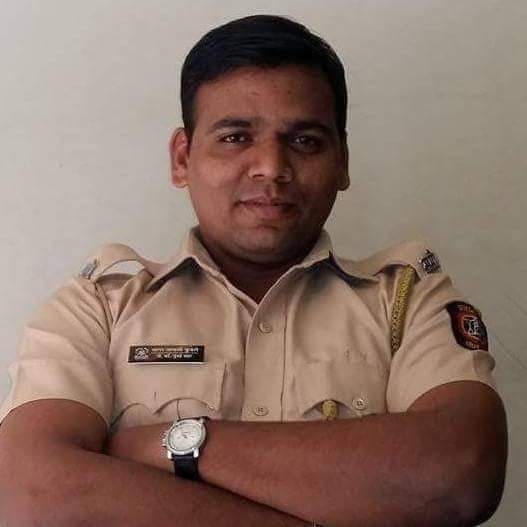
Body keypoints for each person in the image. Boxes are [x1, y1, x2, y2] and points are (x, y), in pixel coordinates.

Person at [0, 14, 507, 527]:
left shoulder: (407, 301)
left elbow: (461, 472)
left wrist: (176, 444)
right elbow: (30, 493)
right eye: (236, 137)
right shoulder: (99, 308)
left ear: (343, 161)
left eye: (305, 141)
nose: (271, 167)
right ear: (182, 158)